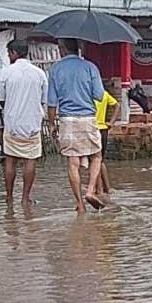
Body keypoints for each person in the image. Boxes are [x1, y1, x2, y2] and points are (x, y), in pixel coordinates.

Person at [45, 37, 108, 213]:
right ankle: (90, 191)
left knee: (72, 162)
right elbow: (100, 95)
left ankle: (80, 204)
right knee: (96, 155)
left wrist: (51, 124)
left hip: (67, 120)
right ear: (78, 48)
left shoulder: (55, 69)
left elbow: (51, 102)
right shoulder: (90, 67)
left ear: (62, 49)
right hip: (88, 118)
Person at [0, 38, 47, 207]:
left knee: (10, 160)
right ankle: (25, 198)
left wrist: (11, 107)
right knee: (30, 160)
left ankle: (9, 197)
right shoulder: (39, 74)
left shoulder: (6, 72)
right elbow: (43, 100)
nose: (8, 56)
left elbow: (0, 99)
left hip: (12, 123)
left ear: (14, 53)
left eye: (9, 53)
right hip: (32, 123)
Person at [91, 77, 118, 199]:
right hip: (103, 129)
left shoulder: (88, 97)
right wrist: (111, 122)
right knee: (100, 160)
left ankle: (99, 190)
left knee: (94, 160)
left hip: (92, 129)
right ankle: (106, 188)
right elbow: (117, 106)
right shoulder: (104, 94)